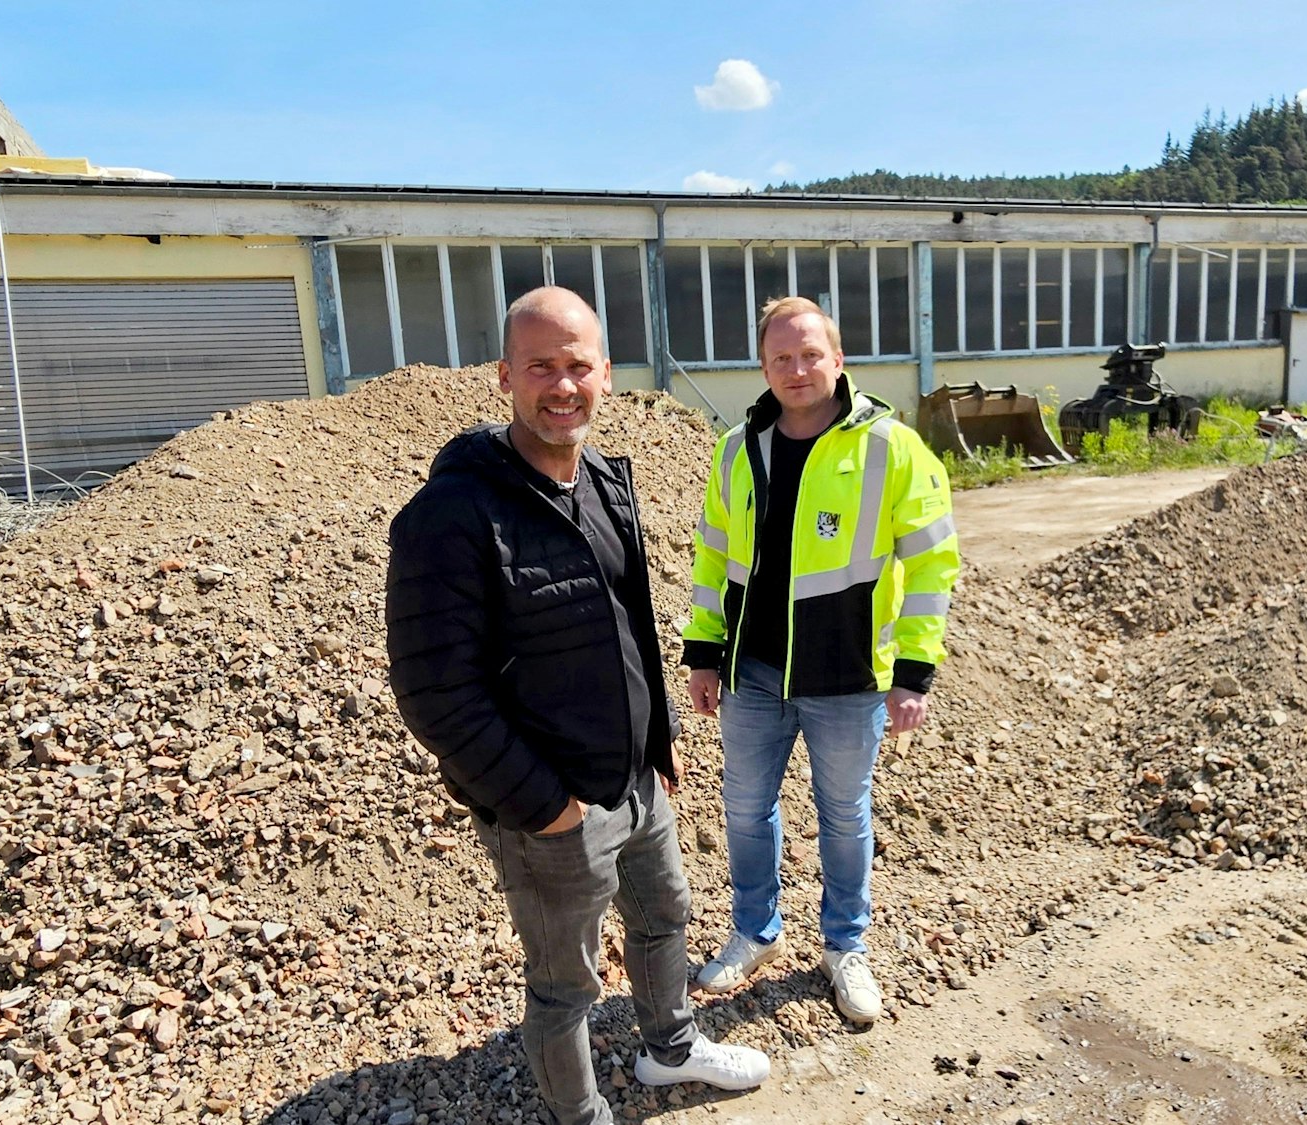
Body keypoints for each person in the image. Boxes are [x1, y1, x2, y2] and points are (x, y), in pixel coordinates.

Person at [386, 287, 768, 1125]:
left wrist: (659, 745)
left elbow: (631, 621)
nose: (563, 386)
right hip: (549, 805)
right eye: (541, 367)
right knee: (566, 984)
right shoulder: (452, 514)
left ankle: (670, 1049)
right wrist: (543, 806)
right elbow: (433, 691)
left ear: (605, 372)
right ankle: (579, 1115)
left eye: (579, 366)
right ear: (504, 378)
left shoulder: (602, 479)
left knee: (665, 917)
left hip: (636, 777)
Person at [682, 296, 960, 1025]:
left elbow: (934, 563)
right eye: (782, 358)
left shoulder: (890, 447)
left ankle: (845, 946)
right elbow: (713, 556)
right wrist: (704, 654)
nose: (797, 369)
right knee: (745, 810)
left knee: (843, 815)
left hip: (848, 675)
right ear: (764, 366)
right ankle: (756, 931)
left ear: (838, 359)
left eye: (810, 354)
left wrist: (914, 672)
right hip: (754, 670)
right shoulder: (738, 448)